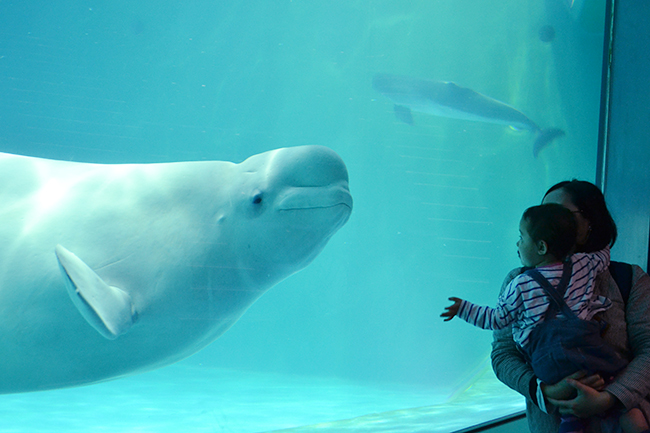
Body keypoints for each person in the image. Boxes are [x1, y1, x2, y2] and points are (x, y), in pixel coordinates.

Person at [441, 203, 645, 433]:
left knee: (569, 413)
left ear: (540, 246)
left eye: (521, 237)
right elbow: (602, 255)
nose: (517, 243)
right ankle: (631, 417)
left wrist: (463, 309)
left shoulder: (521, 284)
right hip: (591, 352)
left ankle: (572, 422)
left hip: (553, 365)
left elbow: (496, 319)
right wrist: (610, 398)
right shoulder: (583, 265)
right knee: (614, 382)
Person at [491, 180, 650, 433]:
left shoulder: (629, 279)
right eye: (542, 212)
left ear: (590, 223)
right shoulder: (519, 281)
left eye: (559, 213)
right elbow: (503, 353)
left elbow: (648, 350)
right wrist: (543, 390)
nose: (547, 219)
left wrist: (610, 398)